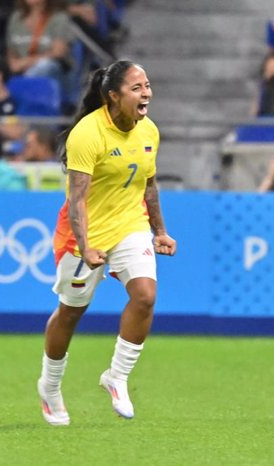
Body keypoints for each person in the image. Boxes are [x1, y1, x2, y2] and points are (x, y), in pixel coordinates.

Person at [37, 60, 177, 426]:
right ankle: (50, 386)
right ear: (113, 96)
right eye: (136, 87)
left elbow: (148, 184)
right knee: (71, 311)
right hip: (84, 233)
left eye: (147, 85)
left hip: (130, 224)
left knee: (145, 295)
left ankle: (117, 376)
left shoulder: (149, 131)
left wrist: (160, 230)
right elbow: (78, 198)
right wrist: (84, 246)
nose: (146, 93)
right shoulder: (88, 133)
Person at [5, 0, 76, 103]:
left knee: (44, 66)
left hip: (56, 72)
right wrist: (14, 64)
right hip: (21, 71)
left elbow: (58, 52)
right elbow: (11, 53)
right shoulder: (16, 18)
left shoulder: (59, 18)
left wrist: (26, 62)